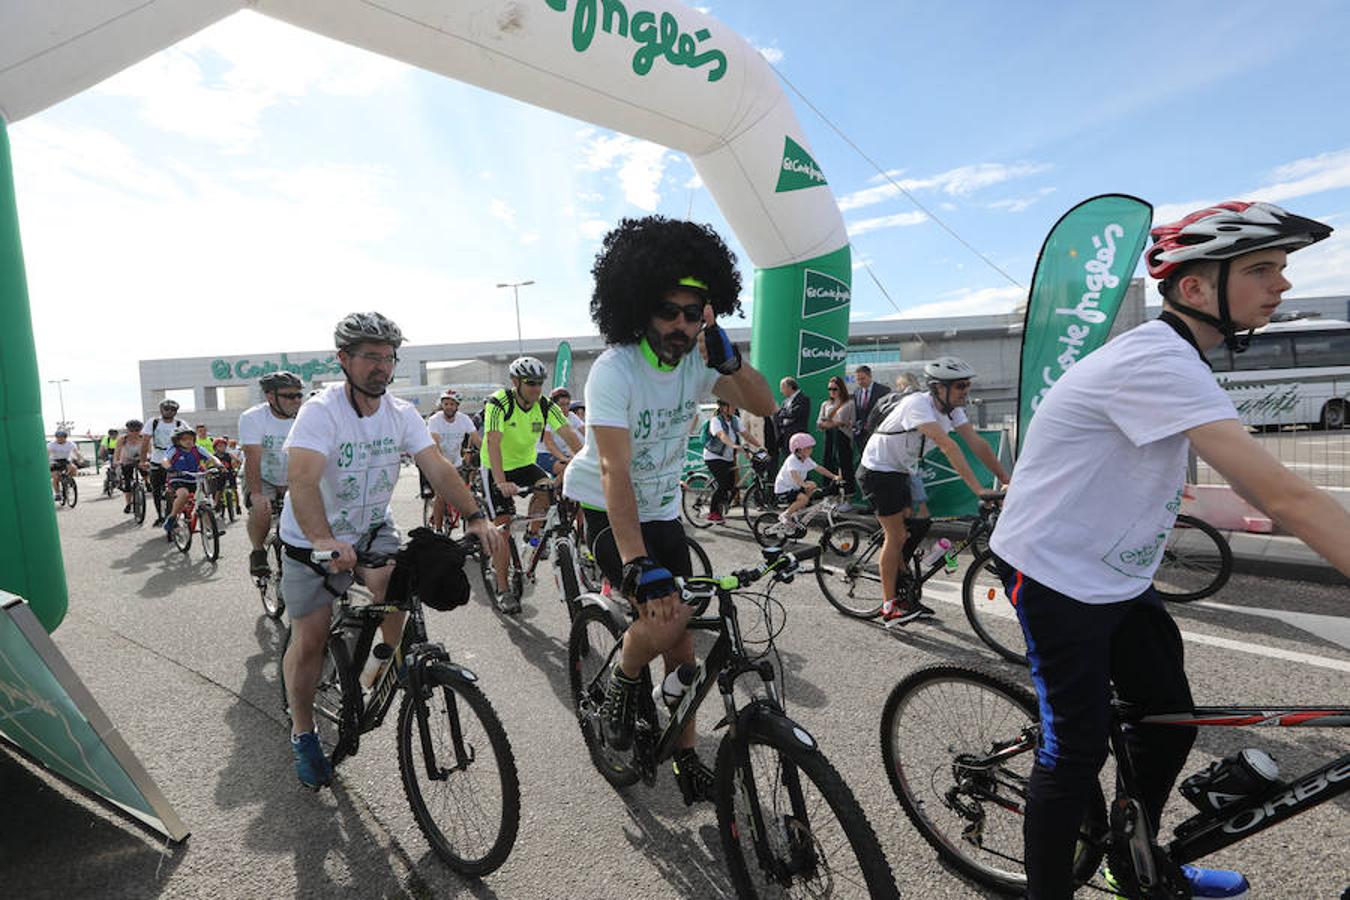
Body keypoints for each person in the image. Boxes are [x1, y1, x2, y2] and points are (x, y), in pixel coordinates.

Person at [989, 201, 1350, 900]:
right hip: (1057, 571)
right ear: (1193, 288)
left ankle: (1133, 865)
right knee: (1075, 751)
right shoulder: (1155, 359)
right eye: (1261, 269)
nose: (1282, 285)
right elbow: (1288, 496)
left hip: (1117, 570)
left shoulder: (1177, 358)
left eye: (1280, 269)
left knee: (1169, 719)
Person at [563, 215, 775, 804]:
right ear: (639, 309)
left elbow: (766, 404)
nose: (681, 325)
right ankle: (620, 687)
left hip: (659, 508)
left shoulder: (701, 363)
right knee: (663, 617)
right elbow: (614, 470)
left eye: (693, 312)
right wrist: (636, 562)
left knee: (683, 646)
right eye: (668, 311)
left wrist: (733, 364)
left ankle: (683, 755)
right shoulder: (616, 369)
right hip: (604, 504)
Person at [279, 312, 499, 789]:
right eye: (370, 357)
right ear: (344, 360)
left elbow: (437, 467)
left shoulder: (400, 414)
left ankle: (365, 680)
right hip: (312, 540)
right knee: (311, 639)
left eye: (388, 357)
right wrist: (321, 540)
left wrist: (476, 515)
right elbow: (302, 479)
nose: (381, 366)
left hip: (371, 528)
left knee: (398, 596)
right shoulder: (321, 411)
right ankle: (304, 731)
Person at [859, 356, 1010, 625]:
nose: (966, 391)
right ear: (939, 388)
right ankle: (889, 606)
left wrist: (1005, 479)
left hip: (902, 470)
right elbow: (947, 446)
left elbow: (976, 444)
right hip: (878, 471)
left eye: (967, 385)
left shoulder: (952, 410)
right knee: (895, 536)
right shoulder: (917, 404)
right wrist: (978, 489)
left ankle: (903, 584)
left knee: (920, 525)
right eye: (961, 386)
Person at [480, 356, 582, 612]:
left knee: (547, 490)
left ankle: (533, 536)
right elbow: (493, 441)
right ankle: (503, 590)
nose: (537, 388)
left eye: (540, 383)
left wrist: (588, 460)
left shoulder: (546, 405)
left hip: (525, 463)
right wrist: (502, 482)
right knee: (502, 526)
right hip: (496, 466)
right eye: (531, 383)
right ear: (516, 382)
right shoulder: (499, 402)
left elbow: (570, 434)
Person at [240, 372, 304, 578]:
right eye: (289, 396)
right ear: (270, 397)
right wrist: (257, 494)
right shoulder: (253, 417)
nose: (295, 400)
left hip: (293, 477)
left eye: (298, 395)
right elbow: (252, 456)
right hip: (262, 475)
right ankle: (258, 551)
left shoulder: (306, 416)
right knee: (262, 509)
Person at [425, 388, 480, 530]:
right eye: (446, 404)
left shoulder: (464, 419)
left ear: (457, 406)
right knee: (441, 496)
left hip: (456, 461)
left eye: (452, 404)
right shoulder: (434, 420)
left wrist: (487, 454)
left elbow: (476, 439)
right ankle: (438, 529)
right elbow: (435, 443)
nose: (449, 407)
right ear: (442, 405)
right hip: (437, 461)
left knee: (464, 493)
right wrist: (442, 464)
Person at [701, 399, 761, 523]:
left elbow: (746, 435)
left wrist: (760, 447)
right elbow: (722, 435)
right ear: (723, 407)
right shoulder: (715, 421)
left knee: (732, 486)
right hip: (714, 457)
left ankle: (722, 503)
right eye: (732, 404)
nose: (735, 407)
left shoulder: (735, 420)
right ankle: (713, 513)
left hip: (727, 457)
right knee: (723, 484)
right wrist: (733, 446)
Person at [773, 432, 841, 529]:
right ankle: (786, 515)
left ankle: (800, 509)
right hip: (784, 490)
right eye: (808, 448)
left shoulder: (806, 459)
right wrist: (803, 485)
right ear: (798, 450)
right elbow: (794, 475)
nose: (811, 450)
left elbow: (819, 468)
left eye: (811, 447)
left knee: (812, 484)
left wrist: (834, 476)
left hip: (794, 488)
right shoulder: (792, 460)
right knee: (804, 497)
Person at [160, 425, 216, 537]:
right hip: (178, 478)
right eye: (184, 439)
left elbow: (211, 457)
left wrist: (219, 466)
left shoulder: (197, 448)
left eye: (190, 439)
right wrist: (170, 468)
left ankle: (210, 529)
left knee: (203, 501)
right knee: (184, 495)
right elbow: (165, 460)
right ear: (177, 441)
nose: (188, 441)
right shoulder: (174, 449)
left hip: (194, 479)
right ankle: (172, 517)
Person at [816, 374, 856, 506]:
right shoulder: (825, 404)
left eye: (835, 389)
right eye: (830, 389)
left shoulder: (849, 403)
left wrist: (834, 422)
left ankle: (848, 499)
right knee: (828, 463)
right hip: (829, 437)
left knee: (845, 466)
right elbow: (819, 423)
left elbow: (851, 422)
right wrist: (834, 423)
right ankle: (830, 495)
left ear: (841, 389)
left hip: (843, 437)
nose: (832, 391)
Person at [146, 399, 188, 525]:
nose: (169, 412)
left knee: (179, 487)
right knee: (156, 490)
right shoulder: (153, 422)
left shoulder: (181, 423)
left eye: (173, 410)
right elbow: (145, 441)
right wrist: (143, 460)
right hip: (157, 459)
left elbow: (190, 440)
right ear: (161, 410)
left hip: (175, 459)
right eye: (166, 409)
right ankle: (160, 515)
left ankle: (178, 513)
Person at [536, 387, 581, 479]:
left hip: (561, 453)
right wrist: (564, 459)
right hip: (543, 454)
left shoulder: (571, 416)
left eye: (567, 404)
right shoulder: (547, 417)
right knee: (569, 468)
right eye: (561, 405)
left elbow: (587, 431)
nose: (565, 408)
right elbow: (549, 444)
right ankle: (552, 490)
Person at [113, 419, 150, 514]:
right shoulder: (123, 439)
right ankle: (128, 504)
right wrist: (116, 461)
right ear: (128, 430)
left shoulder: (144, 438)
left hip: (140, 458)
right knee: (128, 482)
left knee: (144, 469)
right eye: (131, 431)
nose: (134, 433)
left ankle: (147, 482)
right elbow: (117, 451)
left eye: (137, 430)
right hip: (127, 460)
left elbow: (149, 450)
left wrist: (149, 459)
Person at [771, 376, 811, 466]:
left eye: (782, 388)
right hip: (785, 439)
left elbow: (795, 413)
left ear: (788, 387)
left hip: (798, 440)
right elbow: (779, 417)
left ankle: (803, 480)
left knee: (800, 464)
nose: (781, 391)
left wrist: (780, 413)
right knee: (790, 465)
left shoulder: (803, 399)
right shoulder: (785, 402)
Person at [850, 364, 890, 448]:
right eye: (858, 379)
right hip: (861, 433)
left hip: (877, 431)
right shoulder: (857, 392)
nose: (860, 382)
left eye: (862, 378)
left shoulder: (883, 390)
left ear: (870, 376)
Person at [47, 429, 83, 501]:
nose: (59, 439)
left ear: (65, 438)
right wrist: (48, 463)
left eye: (61, 437)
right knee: (55, 476)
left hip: (65, 460)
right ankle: (57, 494)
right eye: (57, 437)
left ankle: (67, 480)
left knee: (74, 468)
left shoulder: (70, 444)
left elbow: (77, 453)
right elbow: (47, 454)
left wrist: (80, 459)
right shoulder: (51, 444)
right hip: (54, 460)